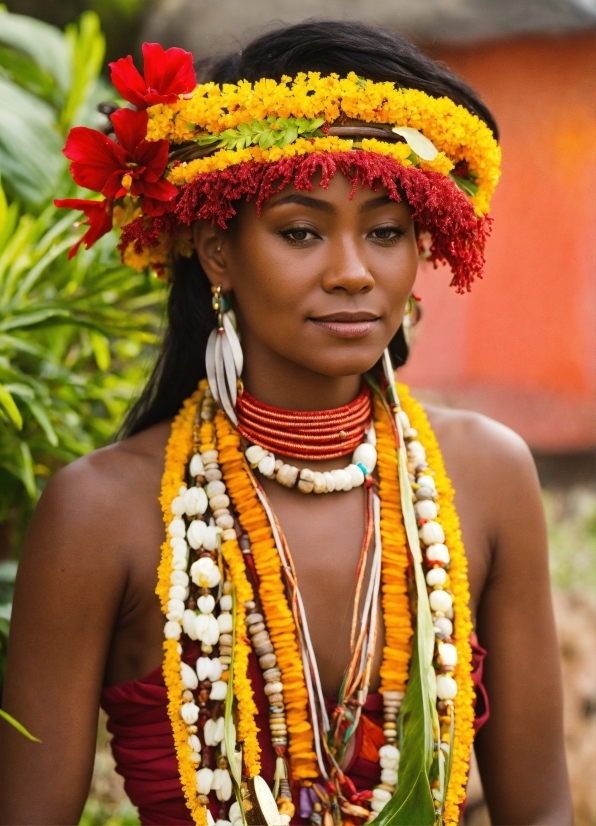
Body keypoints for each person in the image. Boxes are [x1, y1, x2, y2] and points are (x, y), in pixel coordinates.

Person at [0, 20, 572, 826]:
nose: (351, 272)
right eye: (301, 232)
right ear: (217, 250)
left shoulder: (487, 476)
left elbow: (541, 812)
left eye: (385, 232)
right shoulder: (99, 515)